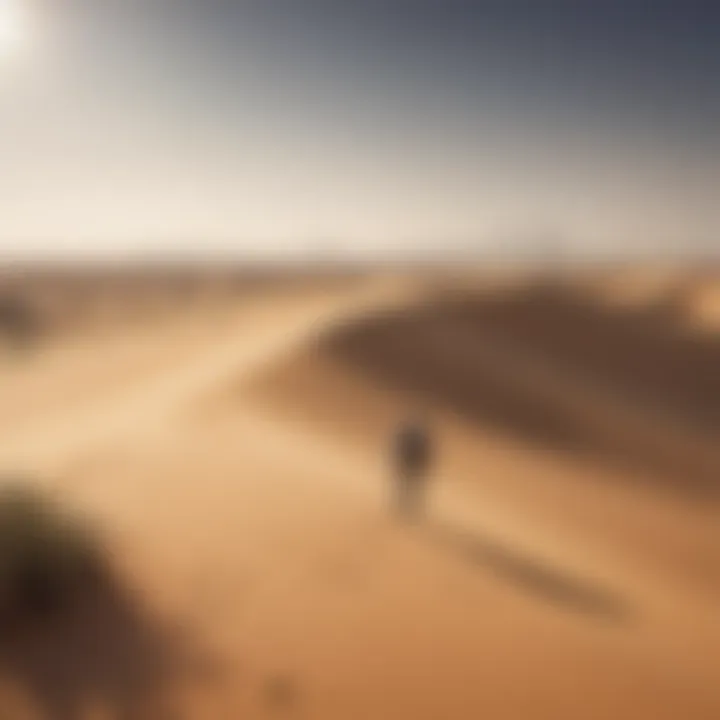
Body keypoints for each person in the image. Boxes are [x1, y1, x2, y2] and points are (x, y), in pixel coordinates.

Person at [390, 414, 434, 520]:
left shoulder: (413, 434)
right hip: (412, 463)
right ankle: (406, 506)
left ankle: (405, 505)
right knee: (410, 486)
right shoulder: (420, 436)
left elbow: (402, 447)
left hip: (410, 463)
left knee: (407, 485)